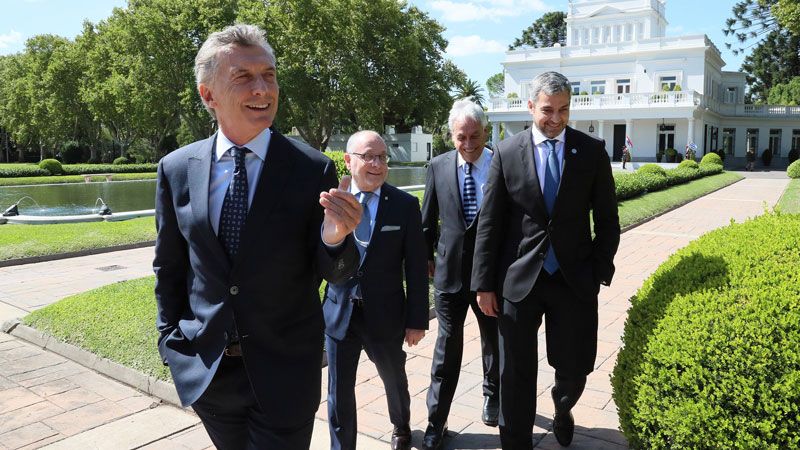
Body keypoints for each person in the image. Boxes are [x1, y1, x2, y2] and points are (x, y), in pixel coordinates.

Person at [153, 24, 363, 450]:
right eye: (244, 77)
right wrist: (168, 340)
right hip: (209, 375)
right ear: (208, 94)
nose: (262, 89)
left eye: (269, 75)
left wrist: (335, 239)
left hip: (285, 376)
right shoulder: (176, 169)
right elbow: (170, 266)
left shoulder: (312, 169)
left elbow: (337, 273)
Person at [472, 71, 620, 449]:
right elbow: (489, 223)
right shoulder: (507, 152)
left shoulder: (591, 151)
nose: (555, 118)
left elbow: (607, 219)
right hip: (520, 280)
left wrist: (599, 270)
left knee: (575, 366)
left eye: (563, 110)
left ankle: (563, 405)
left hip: (574, 279)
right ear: (530, 107)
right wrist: (484, 284)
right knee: (515, 373)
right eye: (547, 110)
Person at [323, 130, 429, 450]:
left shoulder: (404, 205)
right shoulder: (333, 203)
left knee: (393, 379)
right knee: (338, 391)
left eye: (382, 157)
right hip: (340, 311)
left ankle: (401, 426)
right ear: (348, 160)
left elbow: (416, 267)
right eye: (368, 156)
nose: (377, 164)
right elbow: (318, 256)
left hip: (385, 314)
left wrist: (417, 320)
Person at [420, 98, 501, 450]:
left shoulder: (501, 164)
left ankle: (492, 395)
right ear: (451, 135)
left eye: (474, 136)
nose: (468, 144)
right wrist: (425, 257)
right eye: (460, 137)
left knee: (492, 341)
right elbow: (427, 219)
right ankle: (436, 421)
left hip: (490, 278)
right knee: (446, 348)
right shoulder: (438, 166)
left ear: (485, 131)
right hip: (449, 275)